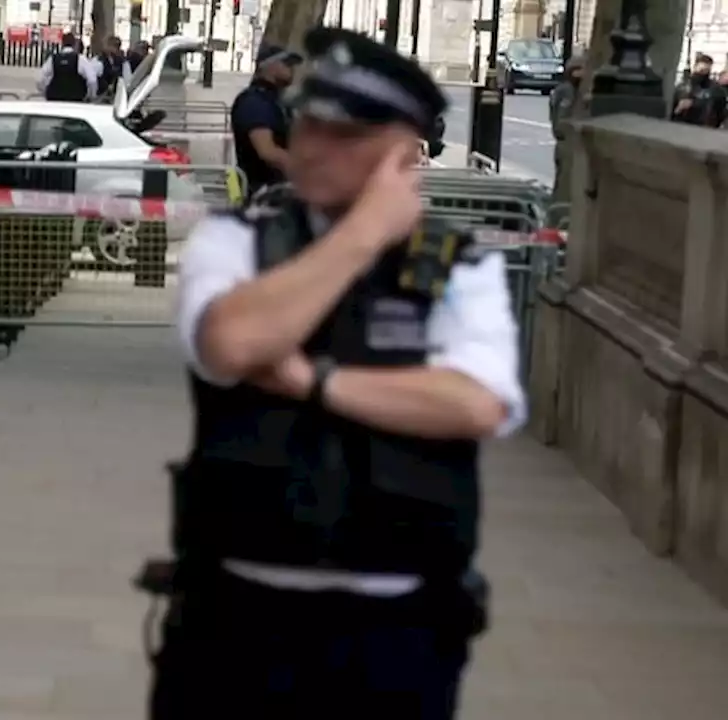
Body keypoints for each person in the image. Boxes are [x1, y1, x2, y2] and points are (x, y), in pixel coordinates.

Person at [144, 26, 525, 720]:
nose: (313, 145)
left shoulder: (456, 265)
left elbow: (476, 403)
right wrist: (359, 236)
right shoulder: (236, 241)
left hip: (399, 623)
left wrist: (310, 380)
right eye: (308, 121)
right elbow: (232, 343)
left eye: (345, 132)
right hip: (236, 612)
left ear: (403, 150)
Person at [232, 44, 303, 197]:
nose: (292, 69)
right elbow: (267, 151)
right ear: (268, 66)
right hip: (264, 192)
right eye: (286, 64)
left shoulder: (276, 100)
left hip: (281, 189)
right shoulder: (255, 101)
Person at [549, 55, 585, 200]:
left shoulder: (570, 90)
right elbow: (560, 121)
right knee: (564, 187)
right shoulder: (566, 91)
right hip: (566, 144)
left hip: (566, 143)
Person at [672, 53, 728, 127]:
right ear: (695, 67)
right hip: (683, 126)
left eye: (707, 71)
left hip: (705, 127)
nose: (703, 73)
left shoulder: (716, 90)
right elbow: (672, 110)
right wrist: (678, 109)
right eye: (701, 70)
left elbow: (720, 112)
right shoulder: (682, 87)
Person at [37, 33, 97, 102]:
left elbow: (40, 80)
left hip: (55, 100)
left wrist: (45, 92)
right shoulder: (81, 59)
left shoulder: (52, 59)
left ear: (62, 43)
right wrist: (91, 95)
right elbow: (92, 80)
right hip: (76, 99)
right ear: (74, 44)